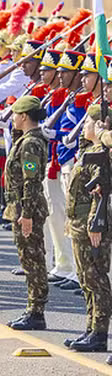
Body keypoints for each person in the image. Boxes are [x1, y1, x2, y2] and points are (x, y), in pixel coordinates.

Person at [64, 105, 112, 353]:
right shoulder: (89, 151)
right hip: (79, 223)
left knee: (96, 277)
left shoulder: (101, 155)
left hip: (91, 225)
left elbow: (99, 193)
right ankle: (91, 328)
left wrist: (96, 223)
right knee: (85, 279)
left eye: (88, 123)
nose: (84, 127)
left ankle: (100, 332)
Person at [4, 95, 50, 330]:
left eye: (14, 114)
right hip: (21, 207)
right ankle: (32, 308)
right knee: (28, 259)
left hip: (27, 208)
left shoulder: (31, 143)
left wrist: (28, 214)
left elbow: (30, 181)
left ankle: (36, 311)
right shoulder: (26, 139)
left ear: (23, 116)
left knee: (33, 260)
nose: (12, 118)